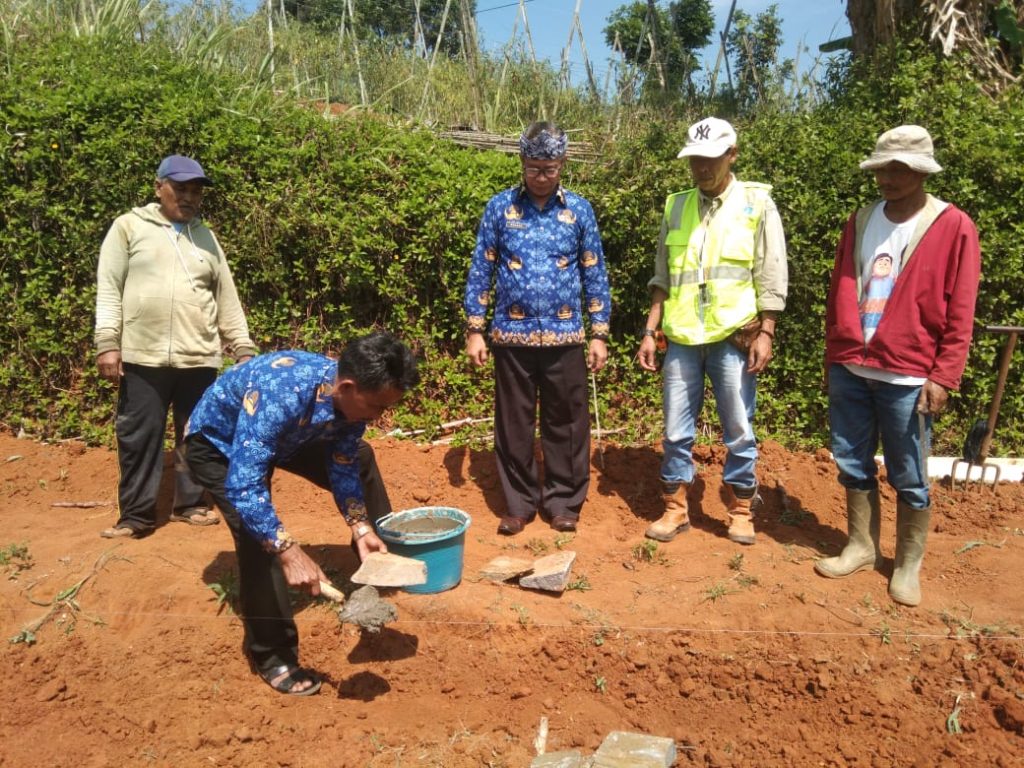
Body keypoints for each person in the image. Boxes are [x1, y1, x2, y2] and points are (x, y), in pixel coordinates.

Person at [183, 332, 419, 696]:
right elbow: (245, 486)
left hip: (285, 437)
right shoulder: (283, 394)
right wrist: (288, 551)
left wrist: (359, 525)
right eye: (376, 407)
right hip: (218, 445)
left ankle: (376, 559)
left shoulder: (349, 400)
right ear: (348, 386)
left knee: (362, 458)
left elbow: (342, 460)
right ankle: (273, 656)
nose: (379, 416)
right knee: (256, 534)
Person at [816, 125, 981, 607]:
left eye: (898, 169)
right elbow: (841, 289)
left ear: (920, 171)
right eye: (883, 168)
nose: (887, 177)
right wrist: (835, 355)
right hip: (853, 364)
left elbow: (961, 307)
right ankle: (862, 546)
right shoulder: (862, 220)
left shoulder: (952, 225)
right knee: (851, 459)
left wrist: (944, 374)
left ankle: (907, 564)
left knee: (909, 471)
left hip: (909, 374)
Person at [637, 117, 788, 546]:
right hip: (682, 335)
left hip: (732, 334)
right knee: (675, 430)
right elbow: (662, 277)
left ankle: (741, 510)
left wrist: (767, 331)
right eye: (695, 160)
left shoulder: (757, 203)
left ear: (732, 154)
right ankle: (675, 508)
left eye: (711, 159)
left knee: (739, 426)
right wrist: (651, 331)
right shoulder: (676, 205)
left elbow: (771, 271)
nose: (702, 168)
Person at [94, 155, 256, 539]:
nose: (188, 197)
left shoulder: (206, 237)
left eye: (195, 191)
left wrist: (242, 348)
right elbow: (108, 287)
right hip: (143, 355)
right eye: (180, 188)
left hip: (199, 356)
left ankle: (192, 504)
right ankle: (136, 517)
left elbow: (226, 297)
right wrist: (107, 343)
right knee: (138, 437)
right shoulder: (129, 227)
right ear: (158, 187)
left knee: (198, 436)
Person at [464, 120, 611, 535]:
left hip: (566, 337)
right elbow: (482, 267)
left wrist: (599, 332)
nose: (541, 177)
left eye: (549, 169)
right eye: (533, 168)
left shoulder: (578, 210)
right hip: (511, 336)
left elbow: (595, 272)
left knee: (567, 422)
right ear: (522, 163)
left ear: (562, 163)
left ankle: (564, 502)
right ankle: (519, 504)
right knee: (513, 421)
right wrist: (475, 328)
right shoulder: (500, 208)